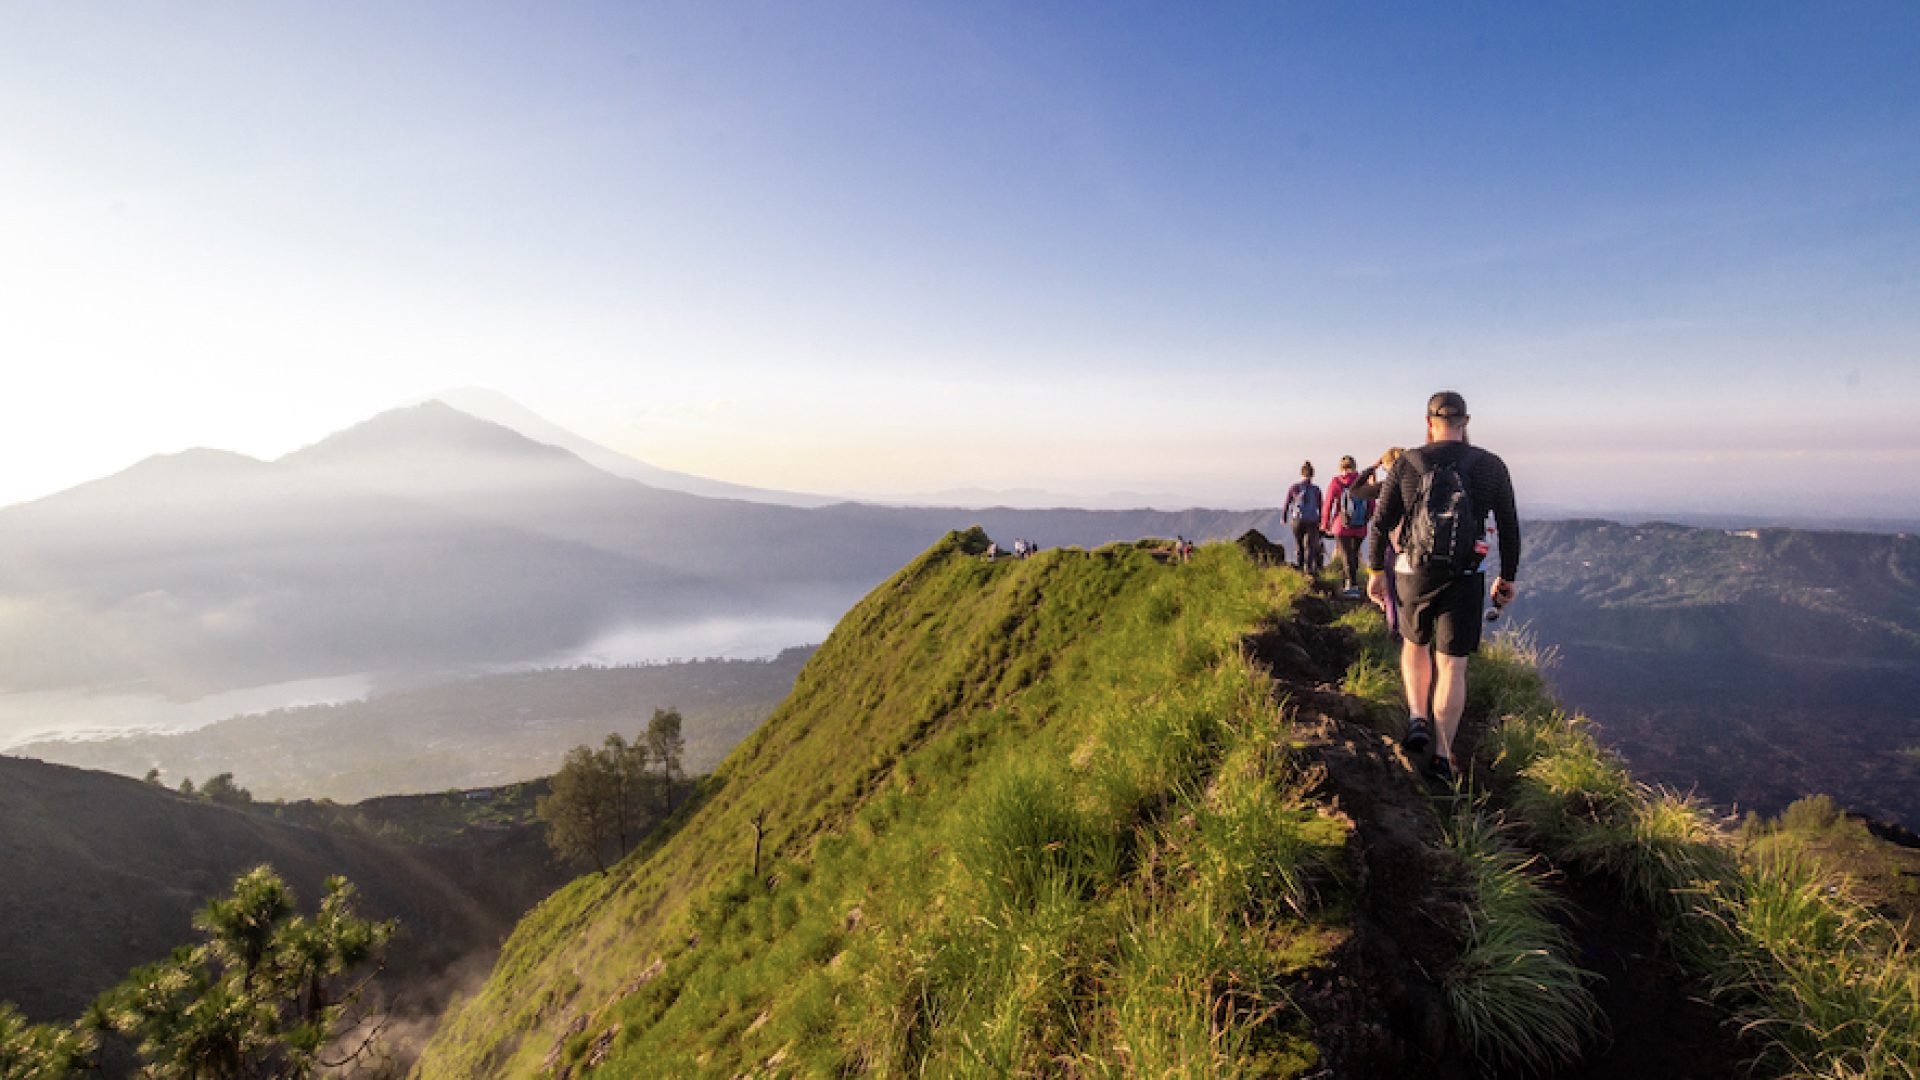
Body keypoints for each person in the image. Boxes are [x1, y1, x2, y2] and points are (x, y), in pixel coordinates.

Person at [1365, 392, 1519, 786]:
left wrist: (1373, 571)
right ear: (1466, 421)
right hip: (1465, 576)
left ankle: (1417, 716)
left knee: (1415, 646)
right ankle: (1441, 754)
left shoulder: (1408, 462)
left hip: (1413, 572)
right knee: (1453, 664)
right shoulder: (1490, 466)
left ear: (1428, 422)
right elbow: (1508, 527)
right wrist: (1508, 578)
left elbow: (1380, 523)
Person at [1351, 448, 1406, 638]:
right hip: (1415, 544)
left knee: (1389, 586)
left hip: (1390, 542)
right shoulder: (1416, 484)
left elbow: (1355, 489)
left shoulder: (1385, 487)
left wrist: (1371, 468)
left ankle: (1395, 629)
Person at [1322, 454, 1371, 598]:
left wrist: (1325, 524)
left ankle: (1351, 585)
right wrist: (1366, 518)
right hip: (1360, 526)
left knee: (1346, 555)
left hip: (1341, 525)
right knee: (1354, 554)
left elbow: (1328, 504)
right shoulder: (1363, 481)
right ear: (1355, 467)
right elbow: (1372, 503)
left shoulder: (1336, 482)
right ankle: (1353, 582)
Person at [1281, 462, 1324, 574]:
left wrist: (1284, 517)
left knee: (1299, 545)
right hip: (1312, 520)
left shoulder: (1294, 487)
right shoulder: (1316, 490)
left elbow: (1287, 503)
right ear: (1312, 474)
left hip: (1297, 521)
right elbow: (1321, 507)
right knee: (1310, 546)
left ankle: (1300, 569)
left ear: (1301, 473)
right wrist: (1323, 521)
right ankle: (1308, 569)